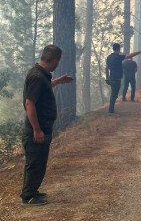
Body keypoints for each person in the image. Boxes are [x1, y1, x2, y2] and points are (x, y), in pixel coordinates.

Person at [21, 45, 74, 206]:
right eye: (59, 60)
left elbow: (42, 90)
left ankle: (32, 191)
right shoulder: (37, 77)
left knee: (38, 162)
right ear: (55, 59)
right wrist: (37, 129)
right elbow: (30, 103)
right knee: (35, 163)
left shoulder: (40, 74)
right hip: (36, 130)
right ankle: (28, 196)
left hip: (42, 128)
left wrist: (57, 81)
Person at [105, 43, 141, 114]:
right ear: (118, 49)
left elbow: (106, 68)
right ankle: (111, 111)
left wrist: (107, 78)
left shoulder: (109, 57)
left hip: (112, 78)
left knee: (114, 93)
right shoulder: (118, 57)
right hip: (117, 78)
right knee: (114, 94)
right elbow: (130, 55)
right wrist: (140, 52)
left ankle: (111, 109)